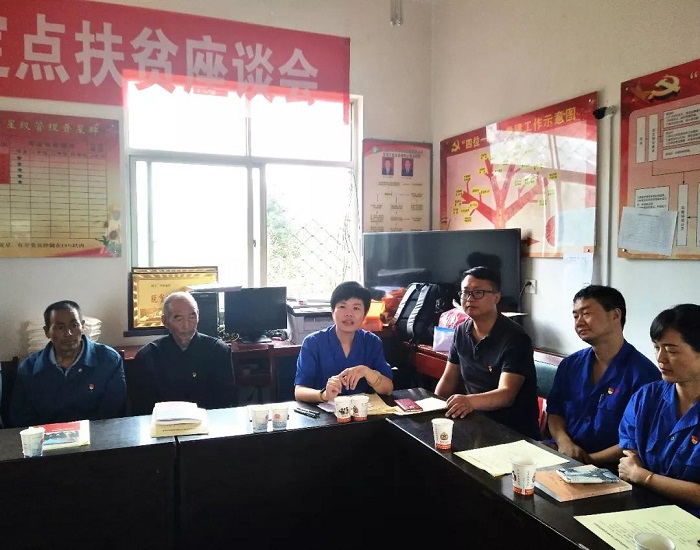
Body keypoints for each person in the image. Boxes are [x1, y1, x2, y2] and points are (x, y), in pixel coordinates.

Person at [545, 285, 660, 467]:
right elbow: (555, 411)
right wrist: (564, 442)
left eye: (586, 314)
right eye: (575, 316)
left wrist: (588, 460)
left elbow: (638, 438)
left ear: (615, 315)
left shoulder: (644, 376)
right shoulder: (571, 364)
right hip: (563, 453)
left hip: (611, 468)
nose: (579, 322)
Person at [435, 266, 540, 439]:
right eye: (465, 292)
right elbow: (448, 380)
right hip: (474, 422)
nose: (469, 299)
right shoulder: (460, 331)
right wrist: (434, 409)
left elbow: (506, 394)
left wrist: (468, 401)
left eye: (478, 292)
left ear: (496, 297)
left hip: (511, 431)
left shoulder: (516, 338)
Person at [618, 304, 700, 517]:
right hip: (642, 509)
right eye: (657, 347)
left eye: (671, 351)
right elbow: (630, 455)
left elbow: (635, 472)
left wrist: (645, 477)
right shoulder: (647, 397)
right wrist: (635, 470)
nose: (660, 358)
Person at [10, 300, 127, 427]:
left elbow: (113, 413)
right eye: (60, 327)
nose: (68, 333)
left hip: (97, 436)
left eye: (74, 325)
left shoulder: (108, 360)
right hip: (45, 437)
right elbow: (22, 419)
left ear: (83, 327)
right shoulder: (29, 368)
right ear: (47, 332)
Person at [132, 291, 235, 414]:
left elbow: (225, 403)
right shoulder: (148, 356)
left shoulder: (218, 351)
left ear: (198, 315)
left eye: (192, 317)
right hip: (164, 422)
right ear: (165, 321)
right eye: (178, 318)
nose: (186, 325)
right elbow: (141, 409)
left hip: (208, 422)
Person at [294, 281, 394, 403]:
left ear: (364, 315)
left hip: (363, 412)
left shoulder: (372, 342)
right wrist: (324, 395)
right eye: (342, 306)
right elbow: (299, 391)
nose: (349, 314)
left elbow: (388, 389)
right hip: (325, 412)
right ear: (332, 311)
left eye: (356, 308)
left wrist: (367, 372)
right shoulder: (312, 343)